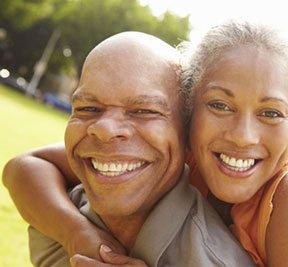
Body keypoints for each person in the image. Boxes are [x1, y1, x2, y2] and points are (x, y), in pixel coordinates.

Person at [3, 21, 288, 266]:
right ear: (190, 113)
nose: (243, 135)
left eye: (271, 113)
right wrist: (82, 237)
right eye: (220, 105)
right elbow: (25, 167)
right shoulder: (188, 148)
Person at [3, 31, 256, 266]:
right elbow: (21, 167)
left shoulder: (215, 259)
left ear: (189, 133)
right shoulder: (58, 213)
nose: (105, 129)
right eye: (88, 108)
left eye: (144, 111)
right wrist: (75, 233)